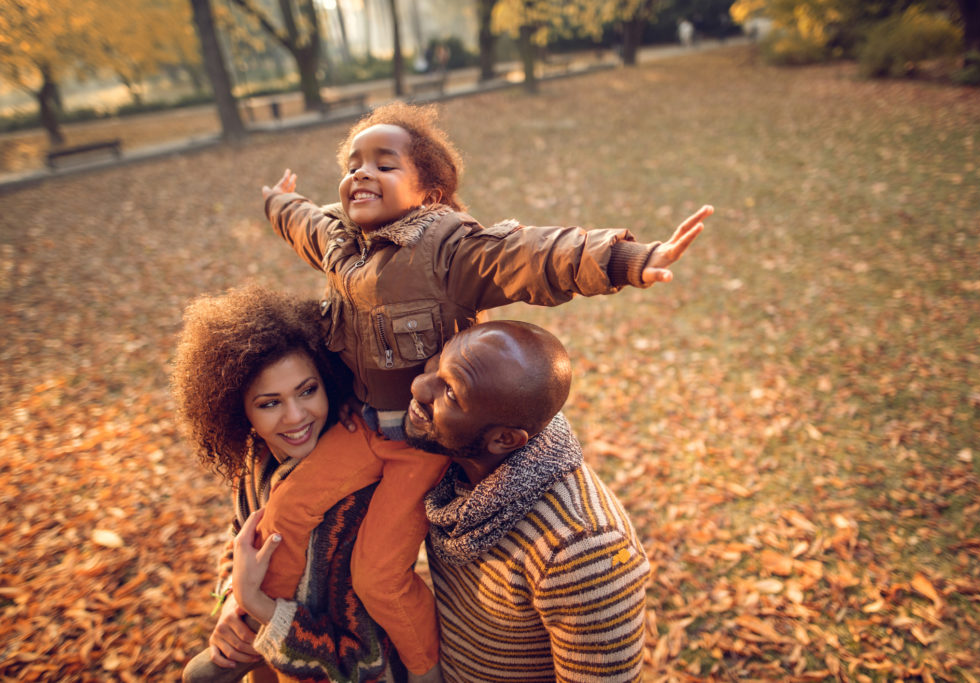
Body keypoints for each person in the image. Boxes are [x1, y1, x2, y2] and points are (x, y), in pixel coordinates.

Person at [254, 101, 711, 680]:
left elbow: (532, 255)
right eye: (352, 164)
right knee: (287, 508)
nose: (361, 174)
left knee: (377, 571)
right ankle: (256, 631)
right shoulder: (342, 245)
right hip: (362, 426)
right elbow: (303, 222)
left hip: (421, 445)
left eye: (384, 164)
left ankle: (419, 670)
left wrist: (625, 259)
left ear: (432, 192)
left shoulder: (448, 250)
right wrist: (276, 200)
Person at [171, 284, 406, 683]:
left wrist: (260, 607)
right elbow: (240, 535)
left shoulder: (355, 497)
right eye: (269, 403)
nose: (295, 417)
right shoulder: (256, 460)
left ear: (328, 381)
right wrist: (230, 597)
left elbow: (362, 660)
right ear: (237, 409)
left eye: (307, 391)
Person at [403, 320, 651, 681]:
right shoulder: (453, 465)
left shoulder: (581, 549)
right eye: (437, 366)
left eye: (451, 393)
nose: (419, 386)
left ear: (505, 440)